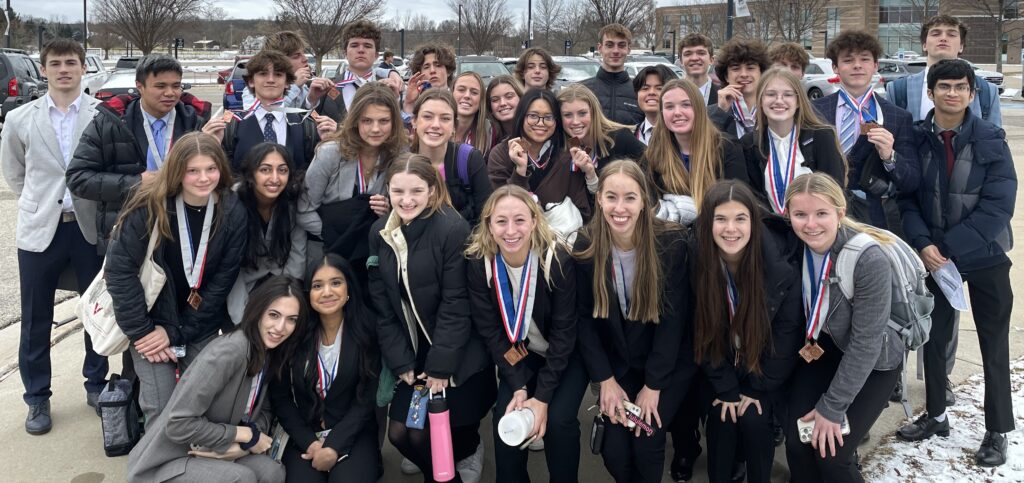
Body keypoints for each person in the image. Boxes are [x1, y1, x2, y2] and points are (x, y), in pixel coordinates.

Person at [895, 59, 1016, 467]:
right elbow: (906, 196)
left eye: (960, 87)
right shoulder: (915, 137)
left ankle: (996, 430)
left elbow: (999, 205)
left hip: (984, 257)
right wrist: (923, 243)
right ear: (930, 92)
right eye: (943, 86)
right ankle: (936, 415)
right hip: (935, 260)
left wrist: (944, 246)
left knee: (992, 345)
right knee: (933, 338)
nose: (952, 93)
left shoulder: (991, 138)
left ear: (972, 92)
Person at [104, 132, 248, 428]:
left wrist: (177, 331)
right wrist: (144, 332)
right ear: (176, 171)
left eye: (210, 169)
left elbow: (222, 280)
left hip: (198, 322)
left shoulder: (232, 210)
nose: (203, 178)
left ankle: (193, 465)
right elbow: (119, 272)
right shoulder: (150, 204)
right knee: (161, 408)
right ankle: (153, 467)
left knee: (202, 401)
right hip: (150, 324)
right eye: (192, 170)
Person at [0, 38, 107, 434]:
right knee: (35, 318)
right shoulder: (20, 119)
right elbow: (15, 174)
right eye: (56, 63)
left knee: (95, 312)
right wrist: (43, 201)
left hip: (87, 229)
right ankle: (37, 399)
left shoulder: (101, 115)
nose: (64, 69)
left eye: (72, 62)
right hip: (40, 229)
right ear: (43, 70)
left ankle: (96, 384)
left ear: (83, 69)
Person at [369, 155, 496, 483]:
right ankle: (445, 472)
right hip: (411, 349)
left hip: (454, 348)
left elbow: (458, 303)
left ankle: (463, 452)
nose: (406, 200)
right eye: (398, 191)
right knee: (399, 434)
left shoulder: (452, 228)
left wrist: (440, 366)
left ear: (432, 190)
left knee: (423, 434)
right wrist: (400, 361)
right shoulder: (380, 232)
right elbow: (383, 307)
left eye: (416, 191)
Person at [574, 159, 693, 483]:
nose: (620, 207)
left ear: (644, 201)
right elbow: (584, 320)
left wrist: (653, 386)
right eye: (611, 197)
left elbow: (673, 323)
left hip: (664, 364)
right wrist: (606, 381)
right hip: (619, 365)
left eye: (630, 198)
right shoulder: (586, 244)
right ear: (599, 199)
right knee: (614, 451)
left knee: (647, 440)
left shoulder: (671, 243)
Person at [126, 276, 309, 483]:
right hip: (171, 461)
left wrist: (242, 444)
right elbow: (178, 423)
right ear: (258, 311)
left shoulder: (271, 353)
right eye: (274, 315)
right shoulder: (231, 351)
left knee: (272, 472)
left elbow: (264, 412)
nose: (280, 327)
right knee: (241, 478)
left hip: (216, 446)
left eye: (291, 319)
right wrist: (241, 436)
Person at [782, 172, 903, 482]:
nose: (811, 224)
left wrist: (832, 408)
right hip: (824, 349)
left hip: (874, 362)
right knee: (797, 443)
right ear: (788, 215)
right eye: (800, 214)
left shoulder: (868, 259)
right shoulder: (793, 247)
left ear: (840, 212)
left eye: (821, 213)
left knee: (831, 456)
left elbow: (866, 344)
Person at [465, 185, 587, 483]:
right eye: (501, 221)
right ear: (488, 225)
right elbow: (492, 333)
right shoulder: (479, 263)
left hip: (567, 355)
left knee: (557, 421)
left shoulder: (557, 260)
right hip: (522, 352)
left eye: (519, 220)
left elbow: (564, 335)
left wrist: (542, 398)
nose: (510, 231)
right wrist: (519, 385)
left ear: (534, 220)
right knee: (506, 418)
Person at [692, 180, 803, 483]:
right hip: (719, 366)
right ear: (707, 223)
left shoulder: (779, 268)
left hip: (765, 371)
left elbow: (786, 338)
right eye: (721, 219)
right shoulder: (697, 262)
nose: (731, 229)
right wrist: (726, 387)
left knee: (753, 420)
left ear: (753, 222)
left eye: (740, 218)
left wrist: (755, 388)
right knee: (721, 415)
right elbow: (699, 333)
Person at [67, 53, 211, 253]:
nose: (170, 93)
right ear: (140, 86)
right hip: (127, 234)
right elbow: (78, 178)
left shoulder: (197, 123)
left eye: (176, 86)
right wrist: (136, 183)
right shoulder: (109, 123)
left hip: (183, 232)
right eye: (160, 86)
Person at [270, 255, 382, 482]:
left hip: (352, 432)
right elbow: (280, 398)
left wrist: (333, 446)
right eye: (318, 285)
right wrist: (311, 444)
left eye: (336, 283)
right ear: (308, 294)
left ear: (349, 287)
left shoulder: (368, 328)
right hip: (304, 434)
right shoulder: (294, 333)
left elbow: (368, 397)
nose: (327, 292)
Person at [811, 29, 919, 232]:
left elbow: (911, 181)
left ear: (875, 65)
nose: (857, 65)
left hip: (872, 216)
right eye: (848, 60)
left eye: (865, 59)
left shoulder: (897, 117)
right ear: (835, 67)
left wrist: (890, 157)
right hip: (821, 209)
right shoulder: (813, 111)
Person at [299, 83, 405, 289]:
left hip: (371, 257)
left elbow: (406, 212)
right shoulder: (329, 154)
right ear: (355, 120)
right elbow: (303, 210)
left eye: (384, 121)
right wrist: (341, 236)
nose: (375, 129)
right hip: (328, 252)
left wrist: (389, 211)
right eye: (367, 121)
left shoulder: (400, 156)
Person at [203, 50, 336, 172]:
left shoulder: (307, 127)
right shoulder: (231, 127)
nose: (271, 80)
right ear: (251, 82)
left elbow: (318, 175)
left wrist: (331, 145)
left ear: (288, 83)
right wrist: (209, 147)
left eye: (278, 74)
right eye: (263, 74)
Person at [740, 68, 846, 214]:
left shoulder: (821, 137)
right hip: (772, 231)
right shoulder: (749, 144)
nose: (779, 100)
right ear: (760, 100)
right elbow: (753, 199)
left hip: (814, 229)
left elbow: (836, 192)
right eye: (770, 94)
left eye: (788, 95)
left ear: (798, 101)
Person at [488, 89, 593, 233]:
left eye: (548, 117)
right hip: (515, 238)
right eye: (533, 116)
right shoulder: (501, 155)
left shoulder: (568, 154)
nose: (540, 123)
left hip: (563, 245)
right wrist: (520, 172)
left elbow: (583, 210)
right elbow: (501, 207)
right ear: (521, 116)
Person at [643, 79, 747, 223]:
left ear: (698, 108)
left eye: (686, 105)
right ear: (662, 112)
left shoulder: (726, 147)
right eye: (669, 107)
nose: (677, 112)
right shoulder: (655, 152)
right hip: (674, 236)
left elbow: (739, 203)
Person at [226, 143, 307, 324]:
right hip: (242, 287)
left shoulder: (292, 201)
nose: (275, 178)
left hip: (279, 282)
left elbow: (297, 257)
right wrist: (244, 318)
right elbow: (230, 268)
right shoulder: (232, 204)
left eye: (283, 170)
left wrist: (287, 298)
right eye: (265, 170)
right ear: (251, 174)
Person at [885, 15, 1001, 127]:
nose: (943, 38)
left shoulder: (988, 92)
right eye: (936, 34)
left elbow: (995, 141)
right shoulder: (898, 90)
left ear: (961, 46)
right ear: (924, 45)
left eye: (951, 34)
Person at [410, 88, 493, 225]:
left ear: (454, 126)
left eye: (445, 118)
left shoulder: (469, 160)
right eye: (427, 116)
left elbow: (485, 216)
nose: (436, 125)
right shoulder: (403, 163)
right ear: (414, 121)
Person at [557, 83, 646, 190]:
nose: (575, 121)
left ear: (594, 113)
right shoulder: (560, 146)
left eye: (582, 113)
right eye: (567, 115)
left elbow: (654, 173)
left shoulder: (621, 139)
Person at [313, 20, 404, 123]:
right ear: (345, 53)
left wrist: (395, 101)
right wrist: (311, 102)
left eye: (367, 46)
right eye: (354, 45)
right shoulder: (328, 87)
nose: (361, 50)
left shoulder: (391, 88)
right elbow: (311, 119)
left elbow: (401, 128)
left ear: (376, 55)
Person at [580, 24, 644, 125]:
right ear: (600, 48)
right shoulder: (582, 90)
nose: (615, 51)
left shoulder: (640, 91)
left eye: (621, 45)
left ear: (628, 49)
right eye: (609, 45)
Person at [708, 39, 769, 138]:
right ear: (726, 76)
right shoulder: (709, 114)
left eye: (750, 68)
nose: (744, 74)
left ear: (761, 73)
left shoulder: (774, 111)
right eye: (736, 69)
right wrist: (720, 113)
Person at [241, 31, 318, 110]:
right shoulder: (256, 89)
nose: (305, 59)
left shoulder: (303, 86)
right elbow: (258, 117)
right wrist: (294, 87)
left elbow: (300, 118)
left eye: (303, 53)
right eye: (296, 56)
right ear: (279, 59)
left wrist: (311, 99)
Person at [403, 43, 457, 115]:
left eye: (438, 65)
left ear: (448, 71)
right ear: (419, 74)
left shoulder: (458, 100)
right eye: (426, 67)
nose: (432, 71)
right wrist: (409, 102)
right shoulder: (413, 102)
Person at [632, 65, 675, 145]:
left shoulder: (683, 136)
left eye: (660, 88)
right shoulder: (631, 136)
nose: (651, 92)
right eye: (645, 88)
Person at [454, 71, 493, 153]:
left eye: (474, 92)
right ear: (451, 93)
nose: (467, 96)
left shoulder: (489, 132)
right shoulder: (437, 124)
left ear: (481, 100)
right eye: (461, 90)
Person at [485, 75, 524, 154]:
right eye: (495, 100)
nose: (502, 103)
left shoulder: (534, 133)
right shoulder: (488, 138)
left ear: (522, 98)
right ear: (490, 107)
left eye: (509, 97)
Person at [678, 33, 719, 106]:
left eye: (701, 53)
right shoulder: (670, 94)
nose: (694, 58)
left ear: (711, 60)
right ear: (681, 61)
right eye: (688, 54)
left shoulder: (722, 96)